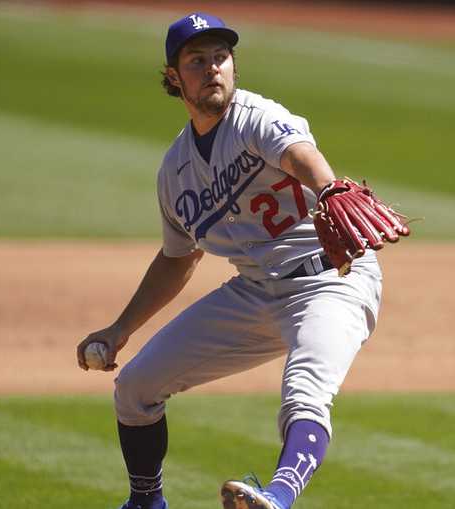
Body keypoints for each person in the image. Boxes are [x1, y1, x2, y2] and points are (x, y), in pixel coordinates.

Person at [76, 11, 403, 509]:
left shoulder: (257, 116)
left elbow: (298, 154)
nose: (212, 68)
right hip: (254, 293)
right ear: (173, 78)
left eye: (221, 57)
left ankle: (277, 497)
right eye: (197, 60)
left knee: (305, 393)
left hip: (329, 283)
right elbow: (177, 258)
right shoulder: (175, 170)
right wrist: (120, 329)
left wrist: (329, 186)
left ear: (233, 65)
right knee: (135, 387)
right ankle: (146, 502)